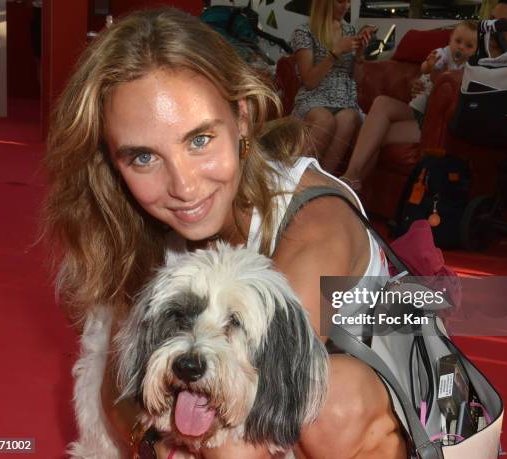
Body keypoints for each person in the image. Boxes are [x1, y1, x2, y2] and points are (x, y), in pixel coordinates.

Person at [42, 7, 406, 459]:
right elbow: (118, 386)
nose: (184, 187)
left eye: (199, 140)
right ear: (113, 162)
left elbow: (258, 419)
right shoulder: (147, 223)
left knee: (315, 407)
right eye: (142, 157)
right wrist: (155, 441)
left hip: (404, 414)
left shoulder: (315, 230)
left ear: (243, 117)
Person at [340, 0, 507, 191]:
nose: (492, 27)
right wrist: (422, 82)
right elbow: (434, 73)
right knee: (382, 103)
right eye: (491, 19)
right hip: (426, 111)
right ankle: (350, 181)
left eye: (502, 23)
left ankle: (349, 187)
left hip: (446, 128)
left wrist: (440, 85)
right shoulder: (469, 47)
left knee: (374, 134)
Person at [291, 0, 374, 173]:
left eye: (348, 1)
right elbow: (309, 81)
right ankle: (292, 181)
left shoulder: (351, 31)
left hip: (345, 100)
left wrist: (359, 55)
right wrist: (335, 53)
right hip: (314, 97)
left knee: (349, 118)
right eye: (340, 1)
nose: (345, 6)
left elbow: (358, 80)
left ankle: (325, 185)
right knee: (325, 120)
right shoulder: (304, 32)